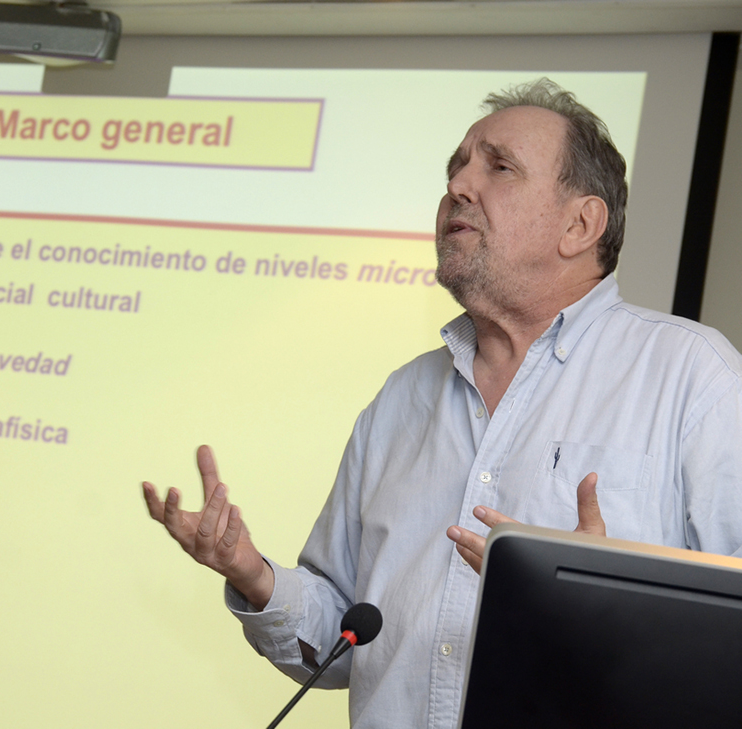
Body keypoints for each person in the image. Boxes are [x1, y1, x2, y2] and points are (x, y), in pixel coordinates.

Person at [142, 79, 742, 729]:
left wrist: (605, 608)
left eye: (499, 166)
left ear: (580, 224)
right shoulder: (403, 399)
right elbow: (347, 635)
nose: (459, 184)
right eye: (456, 166)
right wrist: (252, 572)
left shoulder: (691, 376)